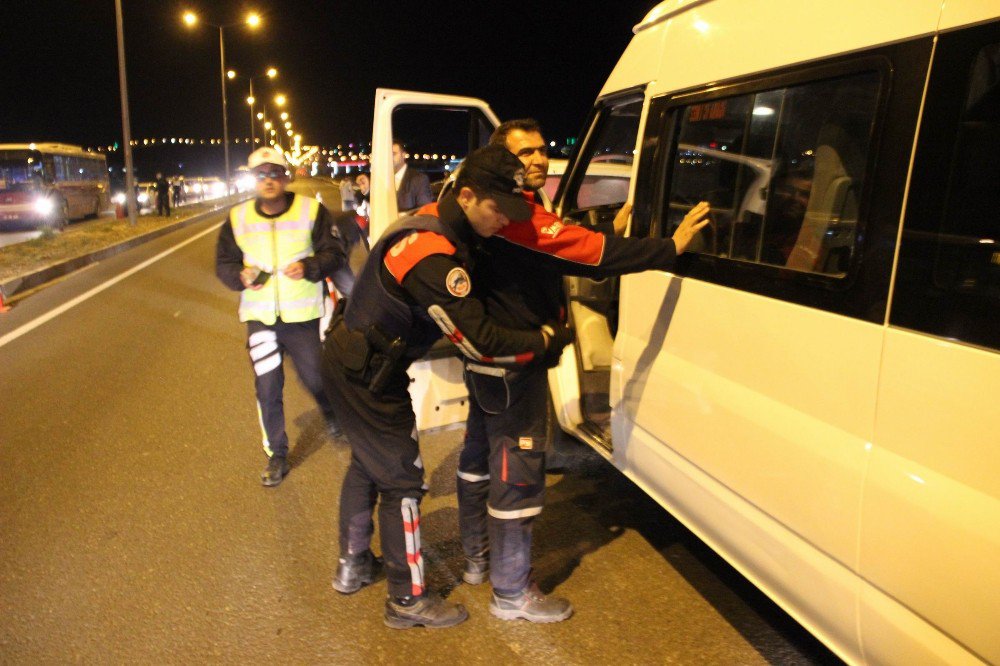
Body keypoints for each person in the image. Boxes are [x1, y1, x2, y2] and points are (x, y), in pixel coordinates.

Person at [455, 119, 710, 623]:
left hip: (486, 362)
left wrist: (603, 233)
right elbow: (586, 253)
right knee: (519, 473)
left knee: (479, 457)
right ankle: (510, 592)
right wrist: (671, 247)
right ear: (501, 164)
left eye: (541, 150)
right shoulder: (515, 214)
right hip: (515, 363)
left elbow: (557, 253)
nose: (536, 160)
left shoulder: (500, 210)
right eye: (522, 154)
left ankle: (476, 559)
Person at [321, 145, 573, 629]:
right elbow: (482, 341)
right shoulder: (436, 260)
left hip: (350, 356)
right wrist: (543, 339)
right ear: (469, 195)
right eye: (498, 210)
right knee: (403, 481)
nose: (504, 222)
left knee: (368, 462)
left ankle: (353, 564)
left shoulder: (431, 217)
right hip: (368, 375)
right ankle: (408, 600)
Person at [215, 146, 348, 487]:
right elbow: (224, 264)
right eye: (261, 174)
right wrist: (238, 277)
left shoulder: (311, 211)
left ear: (286, 176)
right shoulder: (237, 218)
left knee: (317, 377)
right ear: (253, 179)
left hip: (303, 316)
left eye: (275, 172)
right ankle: (277, 453)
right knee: (268, 386)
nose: (268, 180)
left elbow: (334, 252)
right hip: (260, 318)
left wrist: (309, 266)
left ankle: (332, 412)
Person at [392, 140, 433, 211]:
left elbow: (425, 210)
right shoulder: (381, 180)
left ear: (403, 155)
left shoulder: (419, 179)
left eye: (394, 154)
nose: (389, 157)